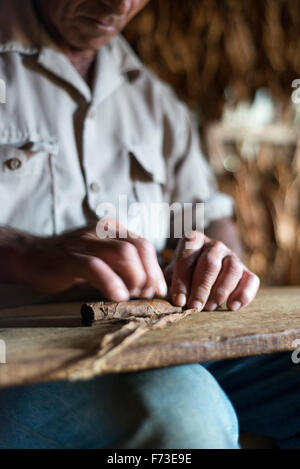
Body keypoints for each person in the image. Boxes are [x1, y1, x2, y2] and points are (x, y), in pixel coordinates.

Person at [0, 0, 298, 449]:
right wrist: (24, 253)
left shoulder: (151, 98)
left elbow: (208, 216)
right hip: (19, 354)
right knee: (183, 417)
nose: (119, 4)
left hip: (157, 334)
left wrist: (215, 257)